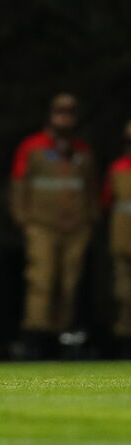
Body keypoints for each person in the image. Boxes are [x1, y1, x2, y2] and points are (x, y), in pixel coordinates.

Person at [9, 93, 98, 358]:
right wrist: (22, 218)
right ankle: (36, 337)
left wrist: (91, 219)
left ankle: (61, 335)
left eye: (70, 113)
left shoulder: (83, 151)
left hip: (76, 227)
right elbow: (18, 184)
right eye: (60, 112)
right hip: (42, 225)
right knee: (42, 280)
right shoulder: (32, 147)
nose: (65, 118)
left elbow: (91, 189)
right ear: (51, 115)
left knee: (69, 284)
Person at [101, 121, 131, 358]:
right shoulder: (118, 168)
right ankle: (124, 342)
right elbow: (107, 203)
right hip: (123, 240)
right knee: (123, 294)